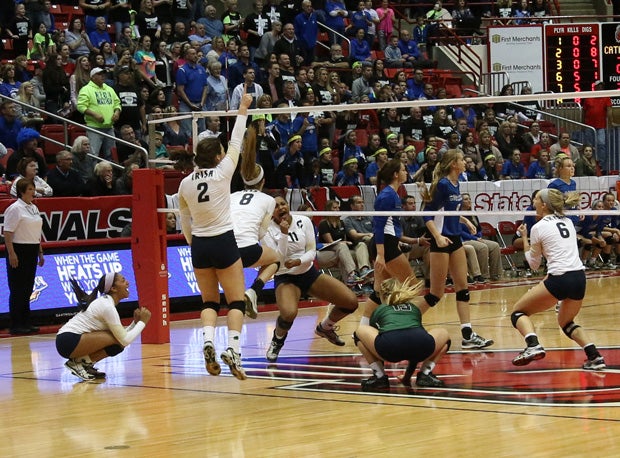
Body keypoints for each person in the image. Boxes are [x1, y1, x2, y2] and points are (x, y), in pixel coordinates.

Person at [177, 91, 252, 381]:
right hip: (223, 240)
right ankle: (233, 350)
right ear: (218, 156)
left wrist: (190, 241)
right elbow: (236, 139)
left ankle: (208, 341)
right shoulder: (222, 173)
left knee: (209, 302)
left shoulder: (184, 183)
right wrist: (242, 108)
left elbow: (184, 218)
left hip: (200, 244)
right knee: (236, 302)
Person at [510, 188, 606, 371]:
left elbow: (533, 264)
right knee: (566, 322)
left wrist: (524, 238)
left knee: (518, 313)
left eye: (536, 199)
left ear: (544, 204)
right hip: (579, 277)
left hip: (560, 279)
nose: (533, 203)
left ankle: (532, 344)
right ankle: (594, 356)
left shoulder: (538, 227)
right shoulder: (568, 221)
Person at [262, 196, 359, 362]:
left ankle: (325, 328)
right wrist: (284, 234)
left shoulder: (303, 221)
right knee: (289, 314)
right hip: (286, 276)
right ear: (271, 213)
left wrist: (299, 261)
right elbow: (279, 257)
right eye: (275, 207)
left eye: (282, 204)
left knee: (350, 302)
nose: (280, 208)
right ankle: (277, 341)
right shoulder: (267, 230)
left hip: (308, 273)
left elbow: (312, 251)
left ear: (288, 205)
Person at [421, 149, 494, 349]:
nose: (465, 162)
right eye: (462, 159)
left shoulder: (456, 183)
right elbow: (427, 215)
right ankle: (406, 322)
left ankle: (468, 334)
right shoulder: (442, 184)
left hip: (455, 239)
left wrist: (464, 221)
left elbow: (448, 211)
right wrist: (437, 236)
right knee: (436, 294)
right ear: (454, 164)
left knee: (463, 288)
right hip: (440, 240)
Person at [355, 276, 451, 390]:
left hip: (390, 348)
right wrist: (407, 377)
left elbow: (374, 341)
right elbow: (413, 343)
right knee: (444, 335)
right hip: (422, 347)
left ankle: (379, 376)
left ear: (382, 295)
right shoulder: (414, 308)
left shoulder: (381, 309)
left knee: (359, 333)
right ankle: (425, 373)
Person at [56, 272, 152, 381]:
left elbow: (122, 338)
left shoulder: (106, 303)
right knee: (118, 341)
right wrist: (143, 322)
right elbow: (125, 340)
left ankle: (83, 364)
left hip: (69, 340)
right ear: (113, 288)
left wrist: (135, 323)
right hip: (68, 341)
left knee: (117, 345)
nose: (127, 283)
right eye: (123, 280)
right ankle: (78, 363)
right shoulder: (107, 307)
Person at [230, 118, 282, 320]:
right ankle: (254, 291)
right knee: (275, 258)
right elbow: (261, 232)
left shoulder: (232, 196)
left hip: (225, 250)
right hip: (248, 249)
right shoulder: (268, 199)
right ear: (263, 182)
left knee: (229, 302)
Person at [358, 159, 417, 326]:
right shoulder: (387, 196)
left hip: (389, 244)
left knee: (380, 291)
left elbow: (392, 226)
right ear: (396, 174)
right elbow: (379, 226)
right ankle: (401, 322)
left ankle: (363, 327)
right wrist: (381, 255)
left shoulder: (394, 194)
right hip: (384, 246)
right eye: (404, 170)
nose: (407, 172)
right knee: (411, 285)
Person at [4, 179, 45, 335]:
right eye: (30, 189)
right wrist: (11, 253)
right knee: (17, 289)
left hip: (32, 249)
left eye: (34, 188)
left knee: (28, 288)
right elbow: (8, 232)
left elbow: (36, 233)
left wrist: (40, 251)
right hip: (19, 250)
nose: (33, 192)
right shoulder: (15, 209)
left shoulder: (34, 208)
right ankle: (16, 324)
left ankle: (26, 322)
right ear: (22, 191)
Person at [77, 67, 122, 160]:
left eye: (103, 74)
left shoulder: (109, 89)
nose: (103, 76)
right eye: (99, 74)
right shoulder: (86, 89)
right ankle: (91, 174)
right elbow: (81, 106)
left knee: (111, 155)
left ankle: (109, 173)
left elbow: (117, 103)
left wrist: (117, 112)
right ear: (93, 77)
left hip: (109, 127)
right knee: (93, 155)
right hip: (94, 127)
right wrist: (94, 114)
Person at [460, 193, 502, 281]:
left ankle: (495, 274)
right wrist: (476, 238)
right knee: (483, 247)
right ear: (461, 202)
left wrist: (479, 236)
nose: (469, 201)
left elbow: (479, 229)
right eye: (466, 199)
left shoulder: (472, 214)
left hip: (476, 239)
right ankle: (483, 275)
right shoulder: (457, 215)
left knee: (495, 246)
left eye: (469, 198)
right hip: (465, 240)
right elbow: (460, 232)